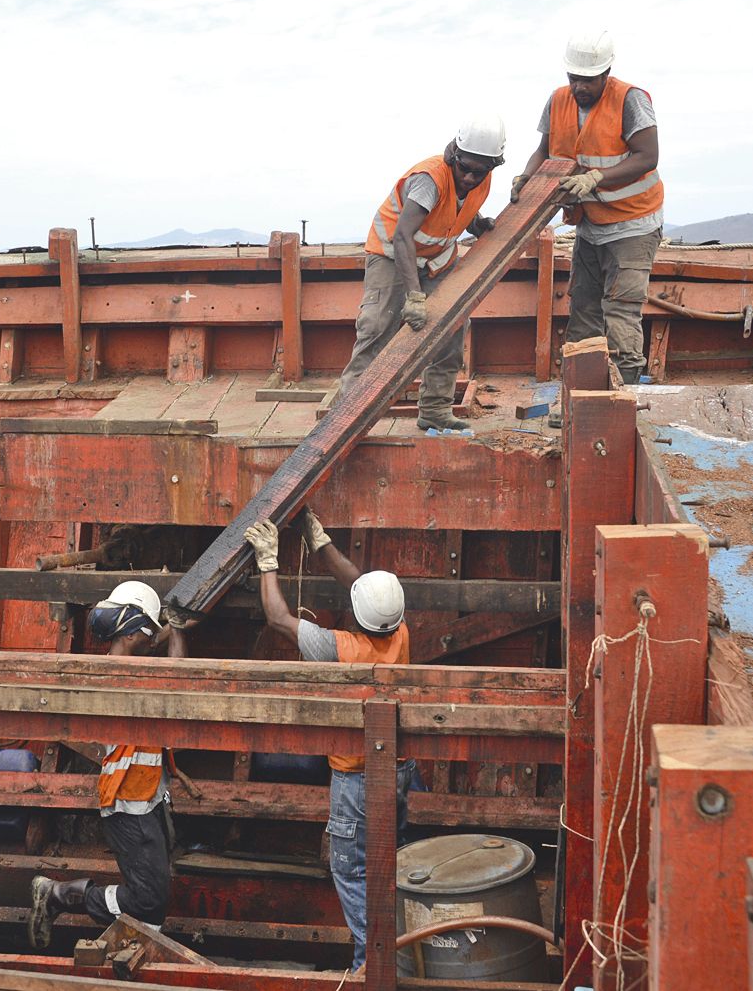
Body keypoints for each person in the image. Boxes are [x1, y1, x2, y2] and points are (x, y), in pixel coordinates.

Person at [243, 512, 413, 973]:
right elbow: (362, 587)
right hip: (398, 771)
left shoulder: (337, 649)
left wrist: (267, 560)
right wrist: (321, 544)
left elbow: (278, 617)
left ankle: (371, 966)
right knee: (386, 865)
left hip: (357, 779)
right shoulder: (399, 631)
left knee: (353, 872)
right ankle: (393, 956)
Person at [29, 581, 188, 947]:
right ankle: (60, 895)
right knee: (148, 897)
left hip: (146, 798)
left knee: (155, 896)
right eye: (148, 633)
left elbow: (151, 648)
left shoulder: (124, 664)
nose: (153, 640)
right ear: (134, 635)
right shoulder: (124, 676)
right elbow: (180, 675)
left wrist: (172, 626)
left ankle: (140, 950)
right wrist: (178, 628)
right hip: (128, 803)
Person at [511, 30, 662, 384]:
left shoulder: (630, 99)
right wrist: (526, 176)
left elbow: (648, 156)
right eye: (574, 78)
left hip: (633, 224)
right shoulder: (558, 100)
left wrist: (596, 178)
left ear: (606, 72)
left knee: (620, 311)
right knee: (583, 309)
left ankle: (622, 394)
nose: (580, 87)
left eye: (588, 80)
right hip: (590, 226)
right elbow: (544, 150)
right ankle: (579, 393)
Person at [337, 120, 505, 434]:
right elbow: (402, 236)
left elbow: (456, 208)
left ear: (492, 165)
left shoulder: (480, 178)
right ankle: (348, 416)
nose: (469, 177)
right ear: (454, 154)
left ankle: (435, 411)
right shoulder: (430, 179)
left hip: (437, 260)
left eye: (478, 172)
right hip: (392, 254)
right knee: (377, 325)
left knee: (452, 328)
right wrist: (414, 296)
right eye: (464, 168)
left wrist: (477, 224)